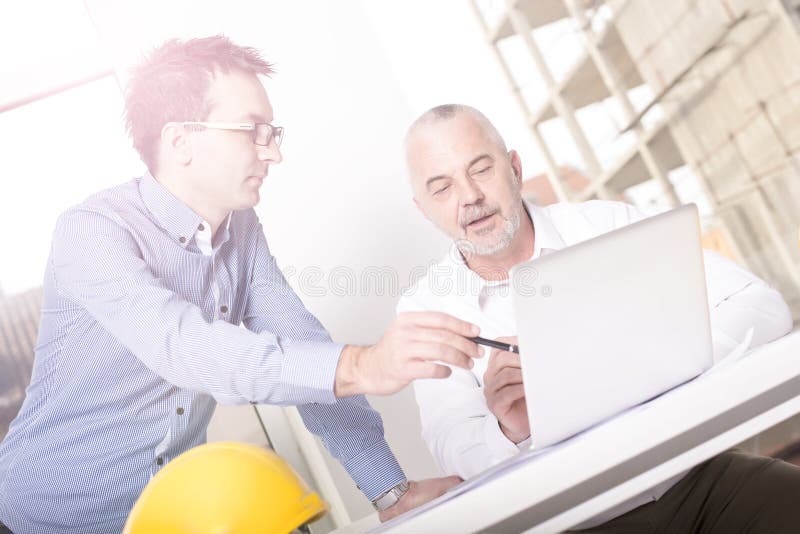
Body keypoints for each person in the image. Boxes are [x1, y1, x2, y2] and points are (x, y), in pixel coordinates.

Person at [0, 38, 482, 534]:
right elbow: (185, 347)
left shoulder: (241, 230)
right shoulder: (92, 233)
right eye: (252, 131)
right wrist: (363, 364)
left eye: (271, 132)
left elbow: (302, 348)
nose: (272, 152)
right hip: (44, 520)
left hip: (170, 516)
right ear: (180, 141)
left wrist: (391, 491)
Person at [399, 103, 800, 532]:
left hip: (696, 479)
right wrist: (509, 429)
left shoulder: (607, 222)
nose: (469, 197)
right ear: (424, 209)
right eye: (442, 188)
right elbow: (453, 447)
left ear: (514, 168)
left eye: (480, 169)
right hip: (580, 523)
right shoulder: (425, 310)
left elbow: (762, 307)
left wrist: (665, 362)